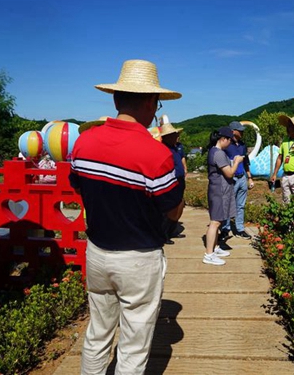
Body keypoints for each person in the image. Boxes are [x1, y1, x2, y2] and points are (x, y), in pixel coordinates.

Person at [69, 59, 184, 375]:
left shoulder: (83, 142)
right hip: (138, 259)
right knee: (133, 346)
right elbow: (172, 210)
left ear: (116, 99)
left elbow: (79, 187)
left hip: (97, 252)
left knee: (97, 333)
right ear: (150, 102)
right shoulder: (157, 154)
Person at [204, 126, 244, 265]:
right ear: (223, 139)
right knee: (215, 222)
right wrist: (237, 162)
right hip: (219, 191)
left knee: (219, 221)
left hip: (218, 190)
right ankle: (209, 254)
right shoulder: (219, 153)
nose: (230, 143)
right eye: (230, 140)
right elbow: (230, 173)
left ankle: (214, 248)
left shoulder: (215, 151)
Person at [219, 120, 254, 247]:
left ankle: (239, 229)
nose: (242, 132)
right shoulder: (226, 144)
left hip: (242, 177)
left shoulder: (243, 145)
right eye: (240, 130)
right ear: (233, 131)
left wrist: (249, 177)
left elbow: (246, 162)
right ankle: (225, 229)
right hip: (231, 179)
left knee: (241, 205)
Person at [160, 122, 186, 242]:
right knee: (170, 207)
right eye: (174, 135)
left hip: (179, 180)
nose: (177, 137)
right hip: (172, 181)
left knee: (178, 204)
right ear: (167, 137)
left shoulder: (176, 148)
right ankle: (164, 234)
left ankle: (172, 231)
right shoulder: (163, 149)